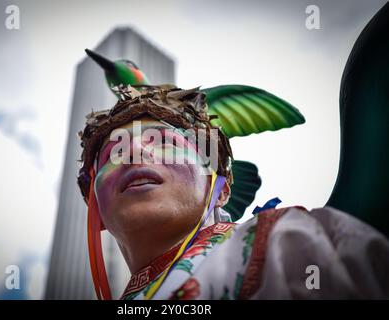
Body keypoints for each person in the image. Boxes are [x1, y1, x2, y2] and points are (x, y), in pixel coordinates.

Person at [77, 85, 389, 300]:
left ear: (222, 189)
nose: (133, 153)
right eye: (113, 154)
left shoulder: (290, 242)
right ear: (96, 210)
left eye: (165, 142)